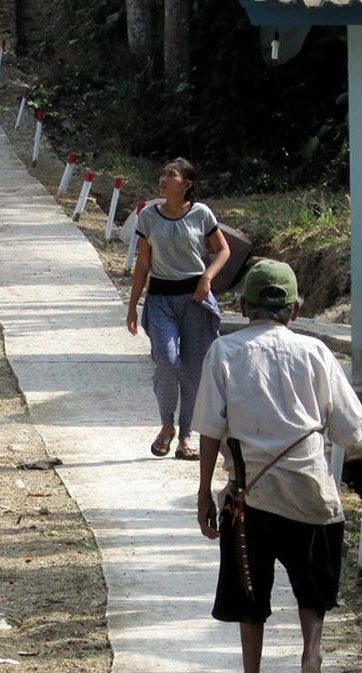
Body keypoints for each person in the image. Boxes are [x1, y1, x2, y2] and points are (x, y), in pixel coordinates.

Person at [191, 259, 362, 673]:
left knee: (250, 600)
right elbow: (348, 431)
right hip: (310, 495)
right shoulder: (316, 352)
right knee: (313, 591)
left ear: (243, 307)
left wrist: (203, 493)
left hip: (249, 499)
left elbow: (210, 430)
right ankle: (311, 654)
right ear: (295, 310)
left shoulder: (223, 352)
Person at [126, 158, 230, 460]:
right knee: (167, 362)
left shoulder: (201, 213)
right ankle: (166, 426)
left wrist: (208, 277)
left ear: (186, 184)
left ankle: (185, 436)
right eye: (163, 173)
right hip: (160, 300)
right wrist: (132, 307)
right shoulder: (148, 216)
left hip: (196, 300)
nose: (163, 178)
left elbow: (223, 250)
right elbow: (143, 263)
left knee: (194, 372)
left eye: (171, 174)